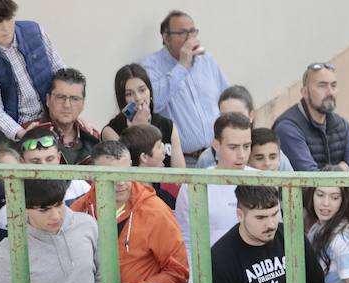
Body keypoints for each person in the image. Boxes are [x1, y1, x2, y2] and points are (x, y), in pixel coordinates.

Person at [70, 141, 189, 283]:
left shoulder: (155, 211)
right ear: (92, 175)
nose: (121, 182)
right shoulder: (78, 210)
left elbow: (179, 272)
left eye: (125, 172)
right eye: (111, 175)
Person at [209, 185, 331, 283]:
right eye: (260, 217)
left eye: (274, 214)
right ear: (240, 215)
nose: (271, 224)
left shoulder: (291, 237)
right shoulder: (221, 257)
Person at [140, 10, 228, 166]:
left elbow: (226, 98)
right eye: (183, 33)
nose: (190, 38)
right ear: (166, 38)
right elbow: (154, 102)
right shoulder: (151, 67)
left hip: (217, 156)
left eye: (193, 32)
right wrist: (182, 65)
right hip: (184, 160)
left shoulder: (206, 61)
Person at [172, 112, 252, 259]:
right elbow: (186, 239)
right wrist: (193, 280)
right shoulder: (194, 186)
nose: (241, 154)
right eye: (233, 147)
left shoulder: (263, 181)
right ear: (216, 145)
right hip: (211, 273)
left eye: (246, 146)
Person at [0, 0, 63, 143]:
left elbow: (61, 72)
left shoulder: (33, 30)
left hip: (51, 117)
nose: (5, 28)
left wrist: (70, 116)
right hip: (15, 129)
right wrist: (21, 133)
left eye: (8, 18)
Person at [273, 64, 349, 172]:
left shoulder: (341, 125)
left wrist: (333, 171)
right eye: (322, 86)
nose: (330, 92)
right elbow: (310, 180)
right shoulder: (288, 128)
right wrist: (343, 167)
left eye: (333, 86)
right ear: (304, 92)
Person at [99, 63, 184, 169]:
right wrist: (137, 131)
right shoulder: (111, 131)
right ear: (122, 99)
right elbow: (127, 171)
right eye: (129, 94)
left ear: (150, 92)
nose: (138, 98)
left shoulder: (167, 125)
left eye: (142, 90)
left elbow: (180, 176)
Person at [40, 68, 97, 164]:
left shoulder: (94, 138)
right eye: (60, 97)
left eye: (74, 99)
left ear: (83, 104)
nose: (67, 105)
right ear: (48, 100)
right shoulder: (30, 134)